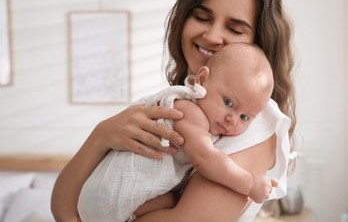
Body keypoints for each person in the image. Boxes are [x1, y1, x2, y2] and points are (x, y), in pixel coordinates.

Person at [51, 0, 296, 221]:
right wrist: (101, 136)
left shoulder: (255, 126)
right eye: (202, 17)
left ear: (259, 42)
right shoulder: (176, 103)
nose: (212, 36)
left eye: (234, 29)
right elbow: (64, 211)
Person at [78, 43, 276, 222]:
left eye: (245, 117)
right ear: (202, 80)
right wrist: (249, 184)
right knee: (172, 201)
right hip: (111, 197)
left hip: (91, 202)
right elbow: (205, 158)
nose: (231, 119)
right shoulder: (189, 111)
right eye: (228, 102)